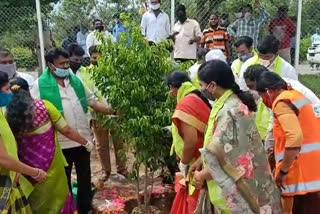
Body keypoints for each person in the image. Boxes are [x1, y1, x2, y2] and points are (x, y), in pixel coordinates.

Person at [30, 47, 115, 214]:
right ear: (51, 65)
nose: (66, 67)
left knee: (85, 177)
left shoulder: (75, 80)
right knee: (65, 180)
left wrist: (112, 110)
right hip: (60, 143)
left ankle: (85, 208)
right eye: (62, 64)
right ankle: (68, 210)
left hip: (83, 139)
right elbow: (34, 111)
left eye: (67, 63)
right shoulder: (40, 85)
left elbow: (92, 101)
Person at [192, 60, 281, 214]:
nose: (201, 89)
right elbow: (217, 143)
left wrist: (201, 175)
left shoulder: (232, 111)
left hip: (241, 194)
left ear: (212, 86)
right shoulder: (226, 104)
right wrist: (201, 160)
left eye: (201, 84)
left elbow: (229, 158)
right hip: (230, 192)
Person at [6, 77, 95, 213]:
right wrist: (86, 142)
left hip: (26, 167)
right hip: (52, 162)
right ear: (28, 90)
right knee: (57, 195)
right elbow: (66, 130)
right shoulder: (44, 106)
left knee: (36, 200)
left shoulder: (7, 115)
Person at [255, 71, 320, 214]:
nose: (264, 102)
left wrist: (283, 171)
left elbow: (295, 137)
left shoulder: (281, 102)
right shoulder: (296, 96)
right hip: (312, 168)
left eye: (261, 97)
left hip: (297, 169)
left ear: (268, 91)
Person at [244, 65, 320, 172]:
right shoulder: (277, 90)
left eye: (252, 87)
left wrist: (282, 170)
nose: (252, 91)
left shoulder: (283, 95)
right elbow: (274, 122)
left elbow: (294, 137)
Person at [76, 45, 128, 181]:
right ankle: (106, 171)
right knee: (101, 145)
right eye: (94, 57)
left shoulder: (113, 71)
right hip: (98, 113)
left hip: (116, 112)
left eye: (99, 56)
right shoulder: (87, 73)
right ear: (90, 57)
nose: (97, 59)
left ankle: (122, 169)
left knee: (119, 143)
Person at [0, 71, 47, 213]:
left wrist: (17, 170)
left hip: (11, 176)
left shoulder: (2, 113)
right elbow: (2, 158)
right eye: (7, 89)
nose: (10, 93)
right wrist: (35, 172)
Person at [167, 71, 211, 214]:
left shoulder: (186, 104)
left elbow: (190, 141)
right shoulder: (196, 97)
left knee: (194, 202)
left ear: (173, 88)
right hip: (205, 157)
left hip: (196, 162)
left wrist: (184, 163)